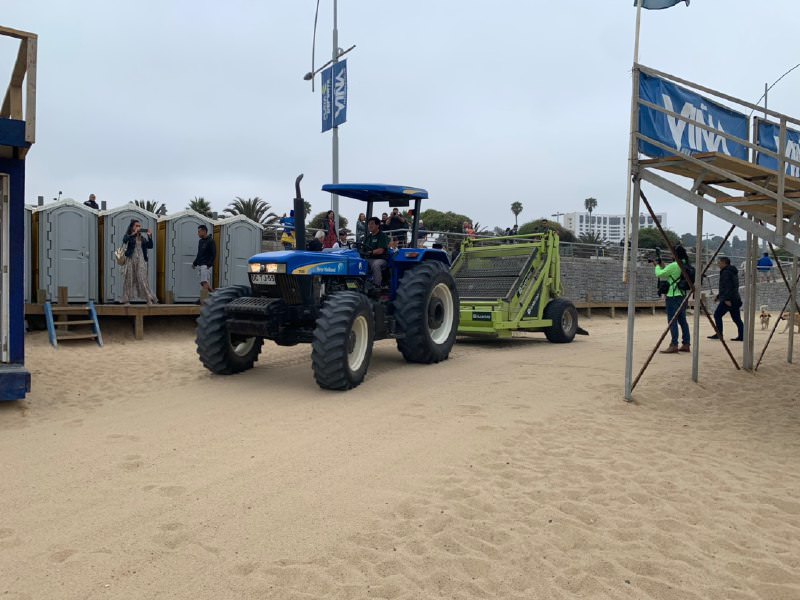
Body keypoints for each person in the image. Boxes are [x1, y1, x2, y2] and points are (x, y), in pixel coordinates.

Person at [653, 245, 691, 354]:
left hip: (673, 295)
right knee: (683, 321)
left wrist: (656, 266)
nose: (670, 255)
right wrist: (661, 265)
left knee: (672, 320)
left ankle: (674, 344)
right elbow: (669, 272)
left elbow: (660, 274)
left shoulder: (675, 264)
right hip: (682, 295)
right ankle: (686, 343)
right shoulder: (684, 263)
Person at [119, 219, 157, 305]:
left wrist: (150, 236)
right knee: (129, 279)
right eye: (136, 226)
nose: (138, 227)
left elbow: (150, 246)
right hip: (130, 259)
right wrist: (133, 234)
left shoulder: (142, 238)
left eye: (139, 226)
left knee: (143, 278)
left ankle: (149, 298)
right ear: (132, 227)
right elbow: (124, 240)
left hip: (141, 260)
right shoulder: (129, 235)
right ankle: (126, 300)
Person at [709, 256, 744, 342]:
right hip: (735, 298)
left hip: (729, 299)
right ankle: (742, 335)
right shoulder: (731, 271)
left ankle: (719, 334)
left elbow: (727, 286)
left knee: (717, 315)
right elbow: (726, 287)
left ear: (724, 263)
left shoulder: (726, 272)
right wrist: (718, 296)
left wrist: (726, 299)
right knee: (736, 319)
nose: (718, 264)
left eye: (719, 262)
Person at [362, 217, 389, 285]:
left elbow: (381, 250)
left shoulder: (382, 236)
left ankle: (377, 285)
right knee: (357, 262)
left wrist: (370, 252)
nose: (369, 226)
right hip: (368, 258)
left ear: (377, 225)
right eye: (368, 224)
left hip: (381, 259)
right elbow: (363, 248)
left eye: (372, 224)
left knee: (376, 264)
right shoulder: (368, 237)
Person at [193, 224, 216, 297]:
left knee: (204, 282)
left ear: (204, 231)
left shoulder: (211, 241)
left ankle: (203, 300)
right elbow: (199, 253)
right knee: (203, 283)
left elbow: (214, 254)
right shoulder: (200, 241)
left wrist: (209, 264)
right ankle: (215, 296)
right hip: (200, 264)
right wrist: (195, 263)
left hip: (206, 265)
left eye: (199, 232)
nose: (198, 233)